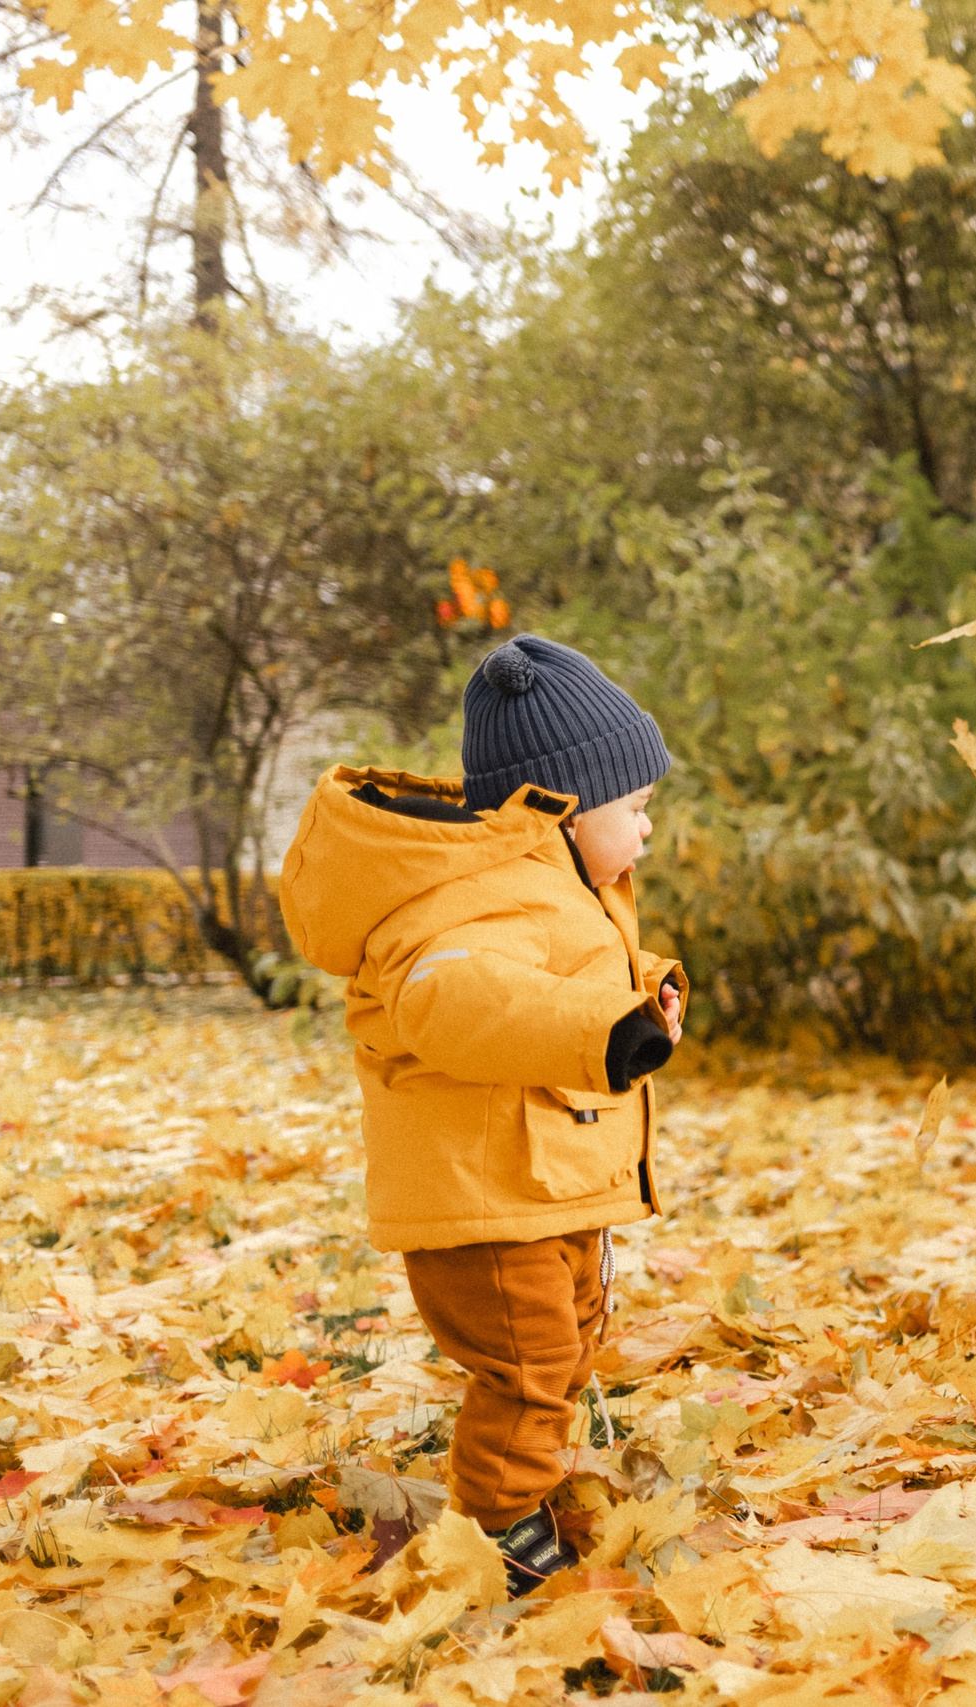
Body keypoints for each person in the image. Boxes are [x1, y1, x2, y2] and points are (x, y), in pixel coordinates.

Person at [278, 634, 687, 1594]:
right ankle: (496, 1525)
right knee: (531, 1360)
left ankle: (524, 1489)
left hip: (536, 1183)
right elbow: (458, 1000)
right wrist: (600, 1024)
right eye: (637, 810)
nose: (648, 833)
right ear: (568, 807)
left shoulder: (552, 883)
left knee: (571, 1335)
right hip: (483, 1199)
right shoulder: (467, 898)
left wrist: (642, 1000)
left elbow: (561, 984)